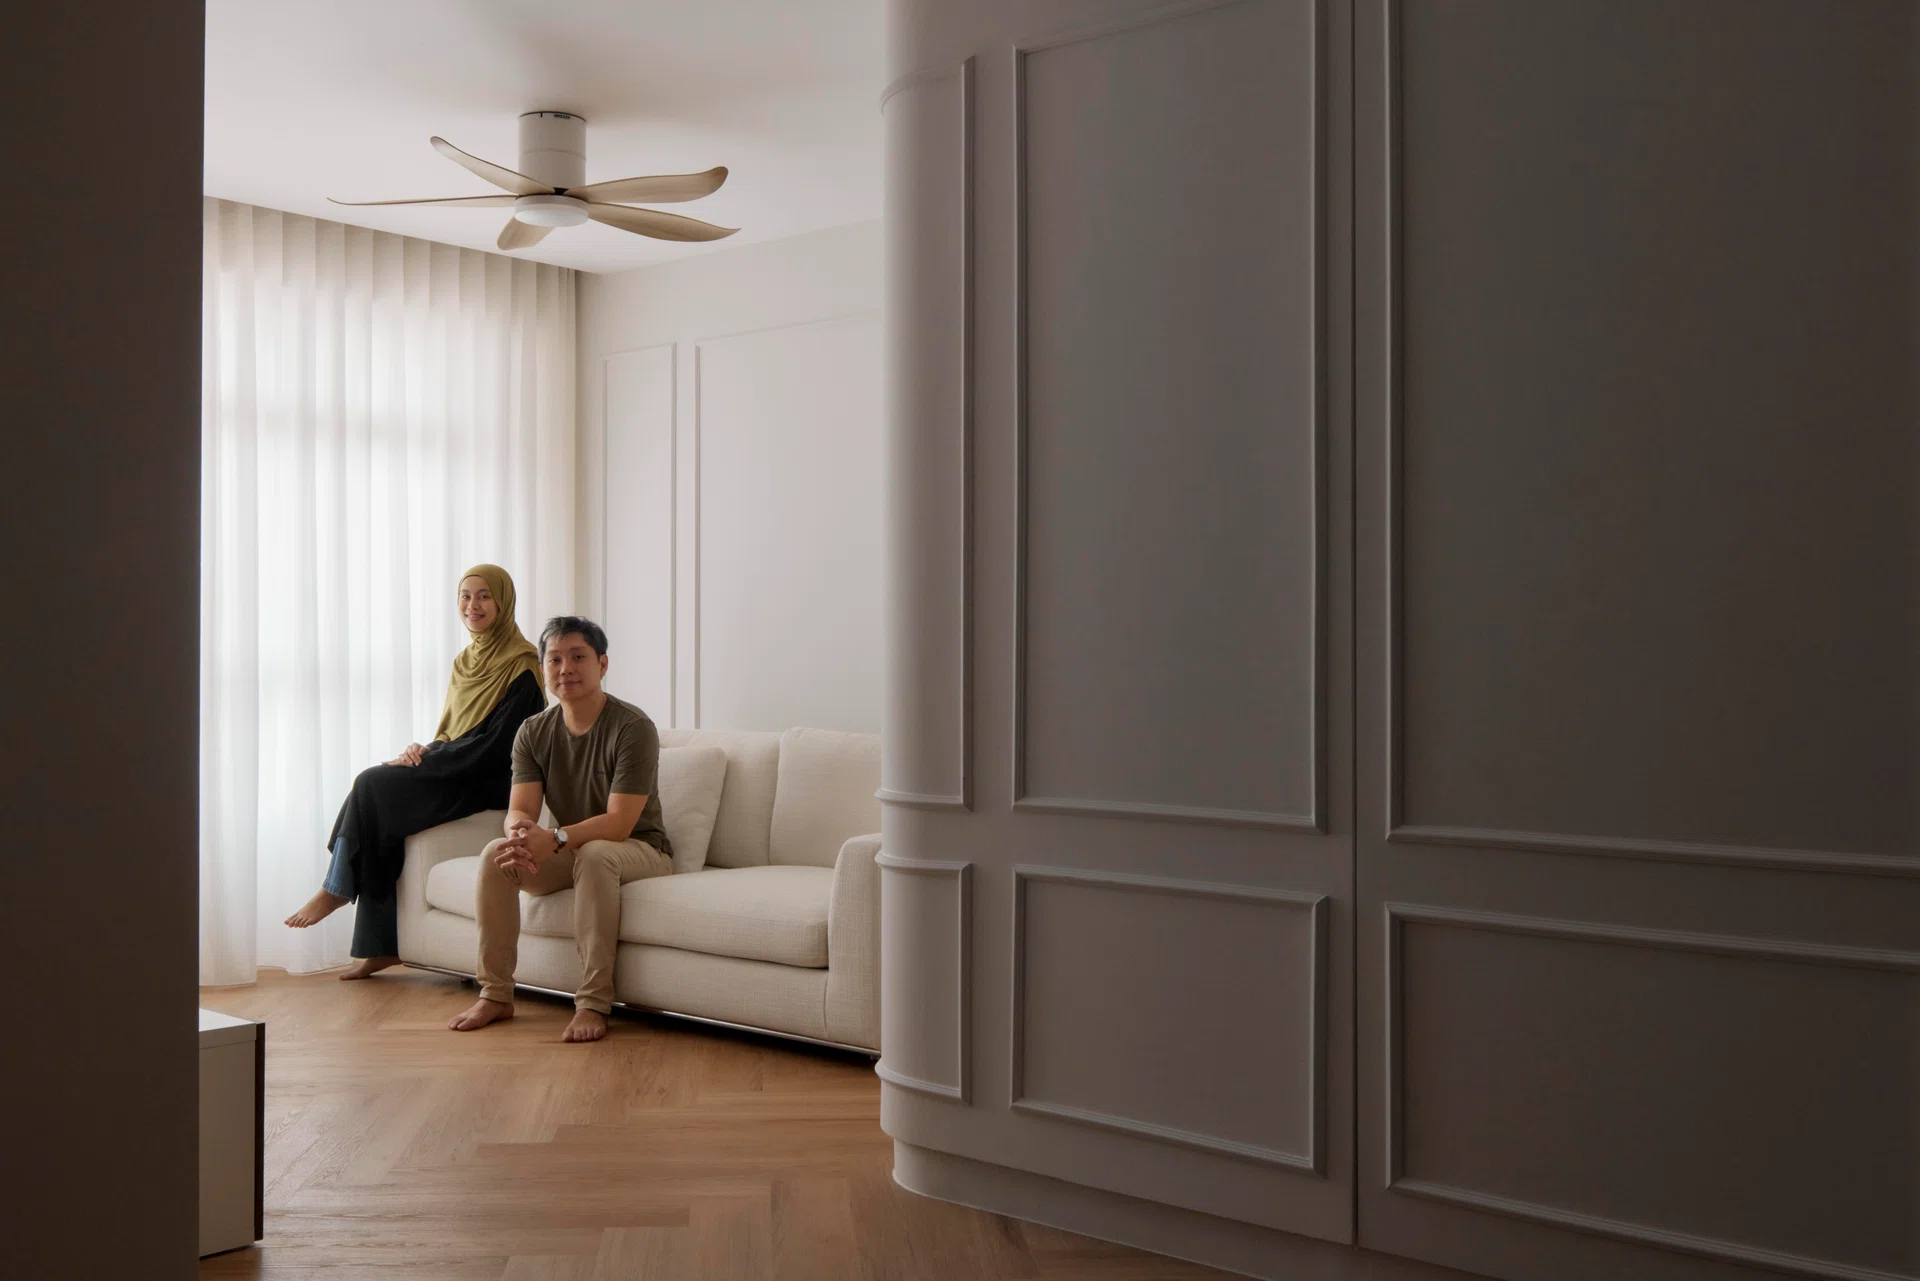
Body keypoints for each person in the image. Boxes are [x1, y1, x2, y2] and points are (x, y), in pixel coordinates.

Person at [285, 564, 547, 978]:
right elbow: (456, 731)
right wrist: (424, 749)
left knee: (373, 784)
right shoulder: (466, 662)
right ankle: (379, 946)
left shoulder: (523, 665)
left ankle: (338, 891)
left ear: (503, 601)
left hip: (490, 780)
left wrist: (432, 760)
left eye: (483, 596)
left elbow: (500, 747)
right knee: (378, 800)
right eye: (465, 595)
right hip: (457, 765)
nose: (472, 605)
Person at [447, 615, 673, 1043]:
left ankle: (592, 1002)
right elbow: (519, 809)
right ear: (544, 668)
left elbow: (621, 823)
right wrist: (520, 834)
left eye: (577, 657)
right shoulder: (533, 731)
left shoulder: (632, 727)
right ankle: (495, 994)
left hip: (641, 849)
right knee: (497, 853)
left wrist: (553, 838)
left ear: (602, 665)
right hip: (571, 847)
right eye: (554, 659)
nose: (565, 668)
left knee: (596, 852)